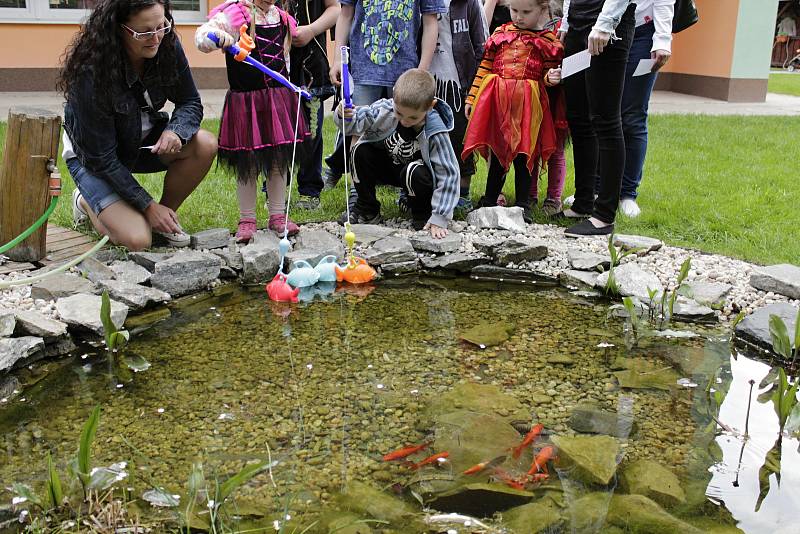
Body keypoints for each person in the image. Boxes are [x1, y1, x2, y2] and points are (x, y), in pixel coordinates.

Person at [60, 0, 216, 251]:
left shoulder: (167, 44)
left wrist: (175, 131)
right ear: (118, 28)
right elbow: (102, 159)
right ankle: (85, 202)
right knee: (138, 240)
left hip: (138, 143)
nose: (155, 38)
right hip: (92, 160)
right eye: (144, 32)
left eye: (161, 26)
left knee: (205, 144)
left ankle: (162, 220)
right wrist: (146, 204)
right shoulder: (91, 73)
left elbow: (190, 101)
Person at [196, 0, 310, 242]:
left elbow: (283, 60)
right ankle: (247, 218)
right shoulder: (235, 14)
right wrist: (218, 36)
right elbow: (201, 37)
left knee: (278, 159)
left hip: (277, 101)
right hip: (246, 103)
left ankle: (278, 215)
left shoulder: (281, 18)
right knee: (247, 162)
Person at [322, 0, 446, 189]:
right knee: (358, 129)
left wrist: (422, 70)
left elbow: (430, 21)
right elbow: (345, 13)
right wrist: (338, 58)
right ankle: (359, 193)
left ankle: (404, 189)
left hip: (405, 71)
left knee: (406, 132)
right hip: (364, 70)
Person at [463, 0, 566, 223]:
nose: (519, 17)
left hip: (528, 107)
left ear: (542, 9)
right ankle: (489, 200)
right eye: (514, 10)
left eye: (526, 12)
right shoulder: (501, 33)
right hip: (498, 104)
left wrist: (551, 78)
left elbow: (548, 75)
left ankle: (523, 204)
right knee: (498, 152)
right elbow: (485, 65)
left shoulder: (547, 41)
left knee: (524, 156)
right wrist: (472, 97)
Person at [334, 69, 460, 239]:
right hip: (391, 166)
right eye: (399, 113)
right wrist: (345, 115)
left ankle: (422, 214)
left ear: (430, 107)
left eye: (413, 118)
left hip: (419, 177)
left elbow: (449, 174)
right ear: (394, 96)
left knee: (413, 171)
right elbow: (354, 124)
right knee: (359, 150)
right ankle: (367, 209)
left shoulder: (435, 131)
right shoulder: (385, 109)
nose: (404, 122)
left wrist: (440, 216)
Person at [558, 0, 635, 236]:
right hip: (578, 22)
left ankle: (604, 215)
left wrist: (605, 24)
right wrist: (566, 19)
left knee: (606, 119)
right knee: (578, 118)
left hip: (607, 25)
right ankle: (583, 203)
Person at [429, 0, 488, 211]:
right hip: (428, 79)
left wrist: (475, 90)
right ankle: (425, 190)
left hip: (460, 83)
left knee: (460, 138)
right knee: (427, 137)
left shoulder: (470, 4)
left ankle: (463, 192)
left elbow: (482, 46)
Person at [617, 0, 674, 218]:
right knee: (601, 113)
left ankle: (627, 194)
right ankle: (594, 188)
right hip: (604, 27)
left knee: (632, 116)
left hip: (643, 31)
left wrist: (662, 40)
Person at [283, 0, 340, 210]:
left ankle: (309, 189)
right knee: (278, 130)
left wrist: (311, 30)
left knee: (311, 132)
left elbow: (336, 9)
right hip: (276, 65)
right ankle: (276, 188)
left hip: (311, 67)